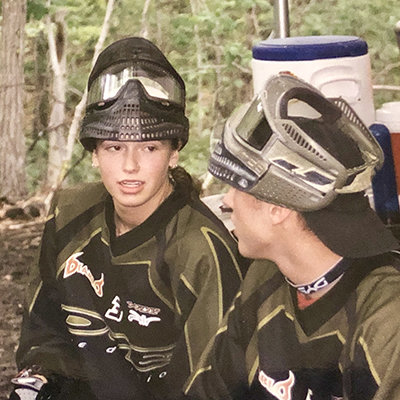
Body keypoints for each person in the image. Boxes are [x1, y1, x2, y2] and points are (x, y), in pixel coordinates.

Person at [10, 37, 247, 400]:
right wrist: (38, 377)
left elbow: (212, 381)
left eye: (149, 147)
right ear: (93, 154)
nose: (130, 166)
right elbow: (44, 326)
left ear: (174, 153)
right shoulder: (70, 213)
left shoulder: (202, 250)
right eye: (114, 147)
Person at [185, 73, 400, 399]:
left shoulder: (387, 318)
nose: (227, 201)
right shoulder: (266, 277)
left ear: (277, 207)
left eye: (237, 186)